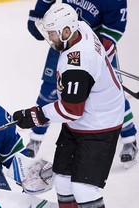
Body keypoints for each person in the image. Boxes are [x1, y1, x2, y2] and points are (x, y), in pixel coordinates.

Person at [13, 3, 122, 208]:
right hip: (81, 123)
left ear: (65, 30)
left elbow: (71, 109)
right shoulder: (80, 26)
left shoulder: (78, 61)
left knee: (85, 188)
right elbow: (104, 44)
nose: (49, 40)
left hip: (100, 125)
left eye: (51, 34)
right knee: (62, 179)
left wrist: (34, 115)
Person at [26, 0, 137, 168]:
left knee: (111, 94)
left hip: (92, 49)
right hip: (62, 40)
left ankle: (129, 139)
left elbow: (114, 30)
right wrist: (39, 12)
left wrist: (96, 56)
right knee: (48, 91)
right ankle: (35, 139)